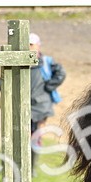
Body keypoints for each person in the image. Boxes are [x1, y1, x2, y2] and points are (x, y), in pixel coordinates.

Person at [29, 32, 65, 170]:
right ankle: (26, 166)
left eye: (31, 45)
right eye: (27, 45)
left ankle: (32, 168)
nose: (29, 48)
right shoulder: (21, 62)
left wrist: (49, 85)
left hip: (42, 105)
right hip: (26, 105)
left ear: (38, 45)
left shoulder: (46, 62)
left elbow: (61, 73)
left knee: (36, 137)